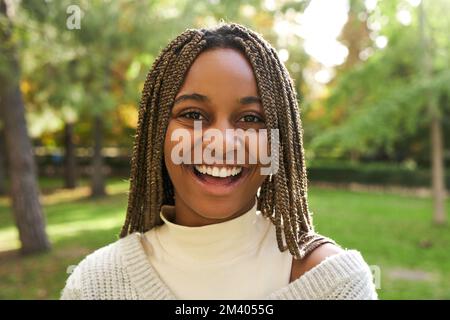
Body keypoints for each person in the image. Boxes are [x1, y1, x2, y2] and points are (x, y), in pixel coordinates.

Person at [60, 23, 378, 300]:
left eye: (251, 118)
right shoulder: (95, 285)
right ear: (157, 132)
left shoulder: (336, 286)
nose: (222, 142)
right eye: (193, 115)